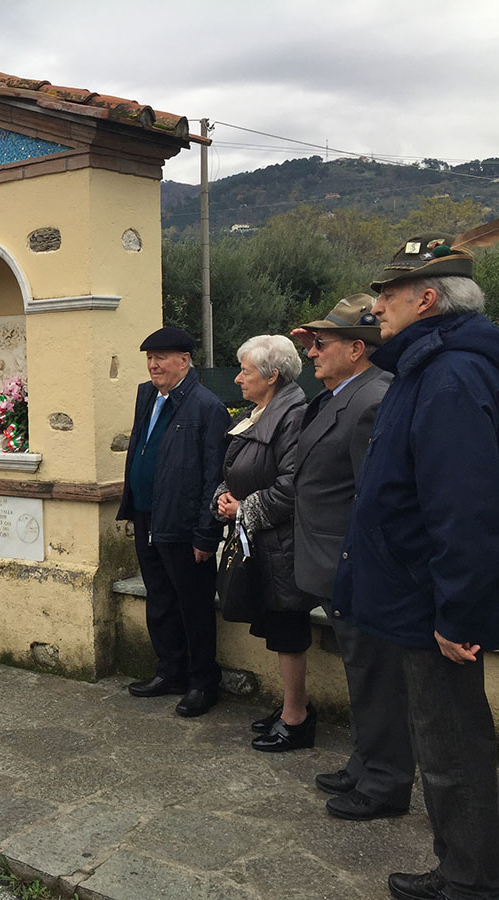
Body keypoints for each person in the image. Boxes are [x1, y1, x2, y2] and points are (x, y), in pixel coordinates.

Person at [335, 233, 499, 900]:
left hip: (432, 605)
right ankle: (469, 867)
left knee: (452, 746)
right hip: (417, 596)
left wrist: (456, 613)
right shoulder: (428, 367)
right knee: (445, 742)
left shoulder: (452, 374)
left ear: (425, 298)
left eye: (386, 294)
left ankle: (469, 879)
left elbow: (463, 505)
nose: (375, 307)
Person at [290, 297, 409, 820]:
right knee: (362, 673)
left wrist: (354, 565)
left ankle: (385, 782)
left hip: (355, 568)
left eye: (323, 344)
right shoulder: (343, 395)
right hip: (336, 567)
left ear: (358, 349)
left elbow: (371, 499)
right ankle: (365, 763)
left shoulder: (371, 400)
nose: (312, 353)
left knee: (376, 676)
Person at [117, 327, 231, 717]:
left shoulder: (206, 407)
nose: (153, 364)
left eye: (162, 357)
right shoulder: (148, 396)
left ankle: (203, 682)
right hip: (148, 516)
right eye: (149, 357)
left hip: (183, 524)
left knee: (193, 606)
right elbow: (141, 450)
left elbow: (213, 476)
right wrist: (133, 507)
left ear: (184, 360)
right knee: (160, 599)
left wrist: (206, 533)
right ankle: (170, 671)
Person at [213, 335, 313, 749]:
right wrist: (222, 494)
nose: (237, 379)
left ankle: (297, 718)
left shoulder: (294, 415)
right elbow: (240, 468)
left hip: (283, 544)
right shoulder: (263, 411)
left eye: (246, 371)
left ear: (271, 377)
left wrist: (243, 509)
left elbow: (293, 487)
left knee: (288, 627)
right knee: (277, 626)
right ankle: (293, 707)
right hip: (266, 541)